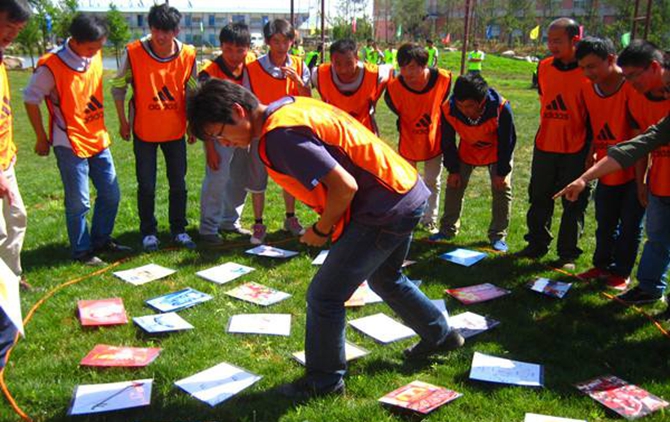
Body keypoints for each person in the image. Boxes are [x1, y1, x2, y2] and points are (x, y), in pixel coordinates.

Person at [187, 78, 464, 399]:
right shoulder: (286, 107)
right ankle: (442, 337)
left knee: (324, 296)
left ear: (238, 111)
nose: (224, 143)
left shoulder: (280, 136)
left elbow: (344, 187)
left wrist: (321, 228)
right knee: (386, 279)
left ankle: (324, 382)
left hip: (383, 208)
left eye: (220, 134)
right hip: (404, 192)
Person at [555, 42, 670, 319]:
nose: (628, 83)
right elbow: (638, 145)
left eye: (632, 76)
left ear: (654, 68)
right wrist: (584, 179)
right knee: (657, 238)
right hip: (660, 185)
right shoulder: (647, 101)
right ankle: (649, 288)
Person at [24, 13, 129, 266]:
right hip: (69, 141)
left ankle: (101, 239)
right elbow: (30, 99)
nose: (95, 53)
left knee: (111, 193)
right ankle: (82, 251)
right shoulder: (51, 65)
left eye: (99, 47)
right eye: (91, 48)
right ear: (75, 41)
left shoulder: (94, 55)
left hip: (97, 137)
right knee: (79, 201)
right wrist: (41, 137)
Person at [111, 3, 197, 252]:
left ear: (177, 30)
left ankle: (179, 230)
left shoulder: (188, 55)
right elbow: (118, 87)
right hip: (144, 131)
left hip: (175, 131)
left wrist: (192, 124)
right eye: (156, 30)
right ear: (150, 28)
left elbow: (192, 91)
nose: (161, 36)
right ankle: (148, 232)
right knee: (146, 184)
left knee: (178, 183)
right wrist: (123, 121)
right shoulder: (134, 52)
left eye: (167, 31)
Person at [517, 18, 591, 270]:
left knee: (573, 201)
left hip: (577, 147)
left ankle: (568, 253)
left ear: (575, 40)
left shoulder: (587, 70)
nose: (551, 46)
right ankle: (536, 243)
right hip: (546, 144)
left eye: (557, 41)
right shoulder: (545, 66)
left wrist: (590, 151)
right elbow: (544, 99)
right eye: (549, 40)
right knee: (538, 197)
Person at [573, 37, 645, 290]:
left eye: (592, 66)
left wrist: (641, 181)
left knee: (630, 224)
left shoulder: (631, 88)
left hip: (634, 170)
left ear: (611, 60)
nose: (587, 73)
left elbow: (640, 136)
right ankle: (601, 265)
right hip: (606, 168)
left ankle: (621, 272)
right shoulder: (587, 88)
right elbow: (595, 124)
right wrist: (592, 151)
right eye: (582, 67)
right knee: (605, 221)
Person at [431, 73, 516, 252]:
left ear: (481, 101)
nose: (464, 110)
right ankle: (447, 229)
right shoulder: (448, 108)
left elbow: (507, 142)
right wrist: (453, 170)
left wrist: (501, 172)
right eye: (461, 105)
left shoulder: (501, 107)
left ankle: (498, 235)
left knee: (502, 188)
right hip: (467, 149)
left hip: (496, 150)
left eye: (469, 106)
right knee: (454, 184)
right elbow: (447, 141)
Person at [246, 19, 311, 244]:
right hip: (261, 131)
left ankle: (290, 218)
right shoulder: (253, 67)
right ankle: (258, 223)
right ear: (267, 42)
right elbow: (247, 101)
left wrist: (298, 81)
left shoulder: (300, 66)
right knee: (258, 179)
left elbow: (308, 98)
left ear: (292, 41)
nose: (281, 46)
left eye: (286, 41)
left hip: (288, 131)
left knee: (290, 177)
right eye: (276, 41)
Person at [197, 22, 259, 246]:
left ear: (248, 49)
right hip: (219, 136)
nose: (234, 55)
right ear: (221, 46)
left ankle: (229, 221)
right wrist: (210, 147)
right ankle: (208, 228)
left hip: (244, 134)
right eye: (228, 49)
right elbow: (204, 116)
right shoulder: (209, 74)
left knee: (240, 178)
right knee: (217, 178)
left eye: (240, 50)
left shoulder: (253, 66)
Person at [385, 43, 452, 233]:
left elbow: (444, 100)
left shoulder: (441, 79)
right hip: (408, 140)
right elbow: (394, 106)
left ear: (424, 65)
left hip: (433, 140)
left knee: (432, 181)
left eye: (412, 67)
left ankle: (430, 218)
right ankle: (410, 217)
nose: (407, 72)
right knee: (408, 182)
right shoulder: (395, 87)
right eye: (403, 67)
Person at [0, 0, 30, 369]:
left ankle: (11, 288)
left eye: (17, 31)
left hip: (6, 158)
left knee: (16, 221)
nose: (11, 35)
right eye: (8, 25)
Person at [312, 38, 393, 135]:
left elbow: (390, 69)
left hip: (364, 134)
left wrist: (375, 98)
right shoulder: (319, 74)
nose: (343, 70)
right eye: (337, 64)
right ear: (331, 60)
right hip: (334, 134)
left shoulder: (374, 74)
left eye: (348, 63)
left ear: (357, 58)